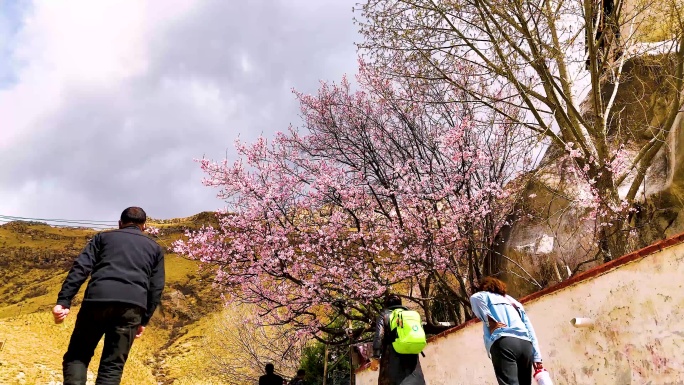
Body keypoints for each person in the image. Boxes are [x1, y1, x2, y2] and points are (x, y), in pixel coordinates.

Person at [52, 207, 165, 385]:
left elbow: (80, 268)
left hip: (97, 301)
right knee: (112, 366)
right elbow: (156, 287)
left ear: (120, 223)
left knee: (77, 356)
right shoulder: (155, 249)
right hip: (132, 308)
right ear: (144, 226)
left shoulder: (102, 238)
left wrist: (64, 301)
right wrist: (143, 320)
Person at [470, 276, 543, 385]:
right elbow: (530, 328)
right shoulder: (514, 302)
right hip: (525, 345)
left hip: (504, 342)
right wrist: (537, 356)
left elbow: (474, 298)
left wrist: (490, 320)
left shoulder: (485, 296)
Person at [371, 294, 425, 385]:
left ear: (386, 304)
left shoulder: (384, 314)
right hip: (412, 359)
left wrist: (376, 357)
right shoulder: (411, 314)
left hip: (392, 360)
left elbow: (379, 336)